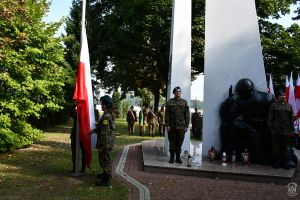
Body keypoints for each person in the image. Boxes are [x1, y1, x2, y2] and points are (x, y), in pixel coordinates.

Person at [268, 92, 295, 169]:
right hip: (276, 130)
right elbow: (270, 118)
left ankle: (284, 163)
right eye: (281, 95)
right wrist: (271, 129)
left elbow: (291, 119)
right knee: (276, 147)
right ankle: (276, 162)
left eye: (284, 95)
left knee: (284, 147)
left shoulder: (289, 106)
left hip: (286, 130)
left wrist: (292, 130)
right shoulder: (274, 105)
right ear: (278, 97)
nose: (283, 97)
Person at [94, 95, 116, 186]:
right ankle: (104, 174)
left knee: (105, 160)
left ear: (105, 105)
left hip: (105, 143)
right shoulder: (107, 114)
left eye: (102, 104)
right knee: (104, 159)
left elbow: (104, 132)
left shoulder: (106, 116)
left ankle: (107, 180)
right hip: (107, 142)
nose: (101, 105)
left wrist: (101, 145)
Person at [165, 86, 190, 164]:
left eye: (179, 91)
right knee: (172, 142)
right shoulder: (169, 102)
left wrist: (186, 126)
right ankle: (172, 158)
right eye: (176, 92)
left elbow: (187, 115)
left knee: (179, 143)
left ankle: (178, 158)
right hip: (172, 126)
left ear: (181, 93)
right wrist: (167, 125)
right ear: (174, 93)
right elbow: (167, 115)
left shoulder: (184, 102)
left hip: (181, 127)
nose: (178, 93)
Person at [70, 104, 87, 174]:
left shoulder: (86, 111)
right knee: (74, 152)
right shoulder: (76, 111)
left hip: (83, 135)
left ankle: (83, 168)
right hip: (75, 135)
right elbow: (71, 114)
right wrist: (75, 105)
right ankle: (74, 168)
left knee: (84, 153)